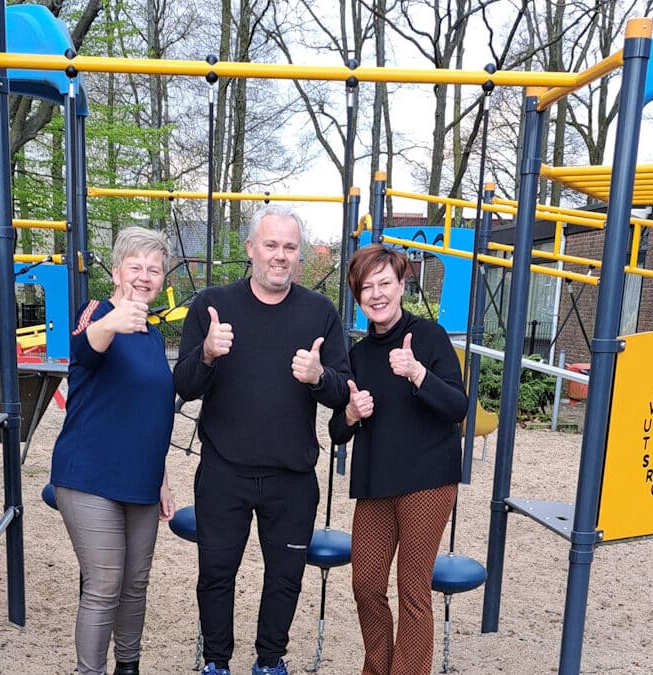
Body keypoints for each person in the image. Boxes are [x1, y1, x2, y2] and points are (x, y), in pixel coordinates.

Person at [173, 204, 351, 675]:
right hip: (223, 471)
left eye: (289, 247)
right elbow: (184, 387)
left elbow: (343, 393)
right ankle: (216, 662)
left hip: (291, 476)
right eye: (271, 245)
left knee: (285, 578)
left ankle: (270, 661)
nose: (280, 256)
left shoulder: (320, 312)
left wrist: (318, 377)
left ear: (299, 257)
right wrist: (208, 354)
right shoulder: (214, 306)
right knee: (215, 574)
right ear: (251, 249)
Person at [328, 243, 468, 675]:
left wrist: (418, 373)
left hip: (427, 480)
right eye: (366, 287)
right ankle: (377, 667)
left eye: (384, 283)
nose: (376, 294)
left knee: (412, 587)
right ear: (357, 297)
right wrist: (351, 414)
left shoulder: (428, 337)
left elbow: (457, 407)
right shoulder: (357, 355)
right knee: (366, 585)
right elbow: (337, 432)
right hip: (375, 483)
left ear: (402, 284)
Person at [50, 226, 176, 675]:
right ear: (118, 270)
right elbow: (85, 349)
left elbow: (151, 411)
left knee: (134, 585)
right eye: (136, 267)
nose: (144, 276)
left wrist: (161, 477)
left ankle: (128, 667)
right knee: (104, 583)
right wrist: (111, 322)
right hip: (89, 475)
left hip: (141, 478)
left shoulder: (153, 336)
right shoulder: (96, 312)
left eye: (154, 269)